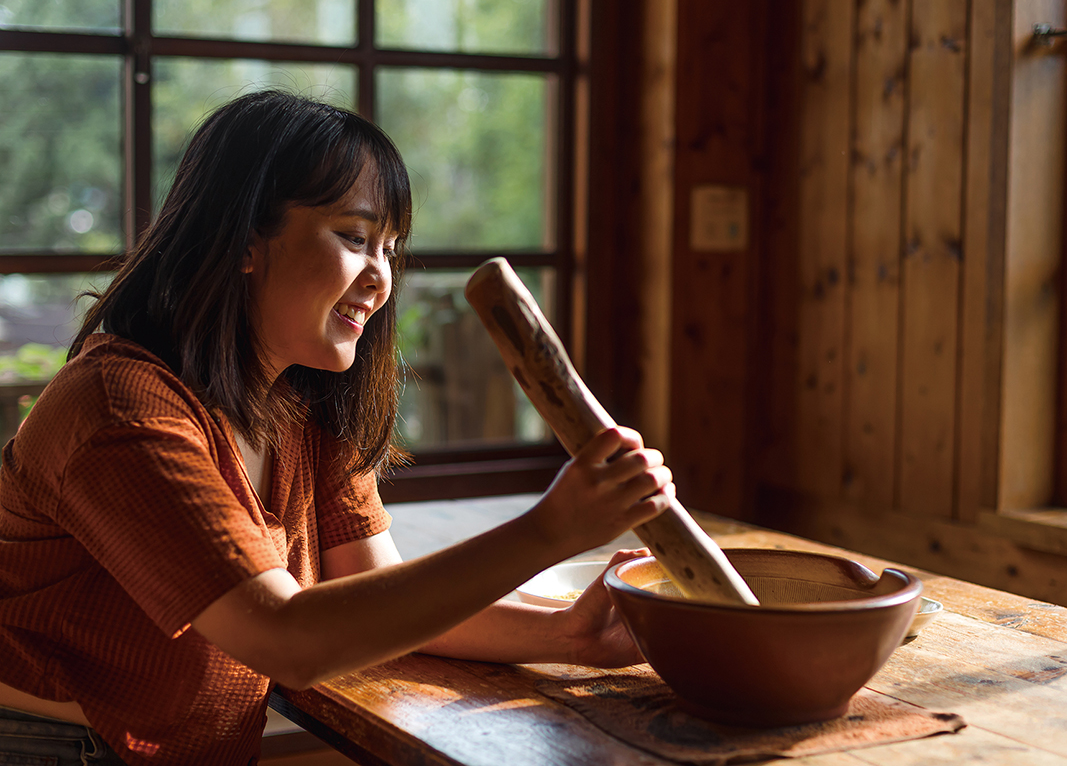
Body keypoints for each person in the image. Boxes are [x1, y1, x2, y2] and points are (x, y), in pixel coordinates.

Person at [0, 90, 674, 765]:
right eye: (354, 238)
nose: (380, 280)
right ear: (243, 241)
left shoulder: (305, 404)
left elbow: (378, 597)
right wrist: (549, 529)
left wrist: (568, 635)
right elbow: (287, 640)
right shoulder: (120, 406)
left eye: (389, 248)